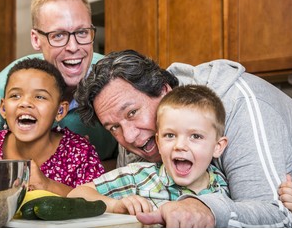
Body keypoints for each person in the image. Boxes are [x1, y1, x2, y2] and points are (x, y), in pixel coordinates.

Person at [74, 49, 292, 228]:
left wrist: (205, 209)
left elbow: (276, 218)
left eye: (132, 113)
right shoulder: (141, 135)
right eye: (113, 127)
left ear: (164, 90)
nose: (128, 136)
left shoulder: (238, 105)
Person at [0, 0, 118, 169]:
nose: (73, 47)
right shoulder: (7, 84)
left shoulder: (114, 81)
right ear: (36, 39)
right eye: (58, 35)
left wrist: (85, 167)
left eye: (82, 32)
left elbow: (135, 164)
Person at [69, 85, 230, 215]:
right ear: (158, 141)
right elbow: (76, 195)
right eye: (170, 135)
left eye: (195, 136)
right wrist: (115, 205)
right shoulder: (139, 176)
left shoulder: (222, 186)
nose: (180, 145)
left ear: (218, 147)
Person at [0, 58, 105, 197]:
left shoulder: (80, 152)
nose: (25, 103)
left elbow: (99, 202)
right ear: (3, 108)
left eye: (39, 97)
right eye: (15, 95)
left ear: (60, 111)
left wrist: (45, 184)